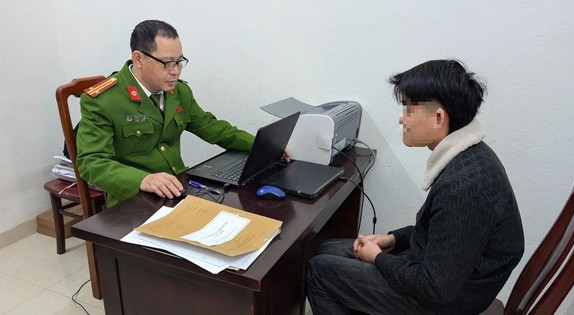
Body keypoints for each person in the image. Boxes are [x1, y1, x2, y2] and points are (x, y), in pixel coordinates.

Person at [306, 60, 525, 315]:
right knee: (328, 249)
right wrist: (393, 239)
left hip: (444, 302)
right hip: (452, 279)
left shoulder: (463, 187)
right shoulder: (473, 156)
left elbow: (435, 287)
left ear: (438, 117)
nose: (402, 119)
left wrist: (378, 258)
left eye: (409, 109)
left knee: (319, 270)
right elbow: (445, 234)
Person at [77, 20, 254, 208]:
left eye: (179, 62)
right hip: (133, 200)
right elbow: (91, 163)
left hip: (179, 190)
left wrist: (260, 146)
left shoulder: (179, 92)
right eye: (168, 63)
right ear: (138, 59)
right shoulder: (104, 100)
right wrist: (143, 180)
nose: (175, 71)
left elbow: (212, 127)